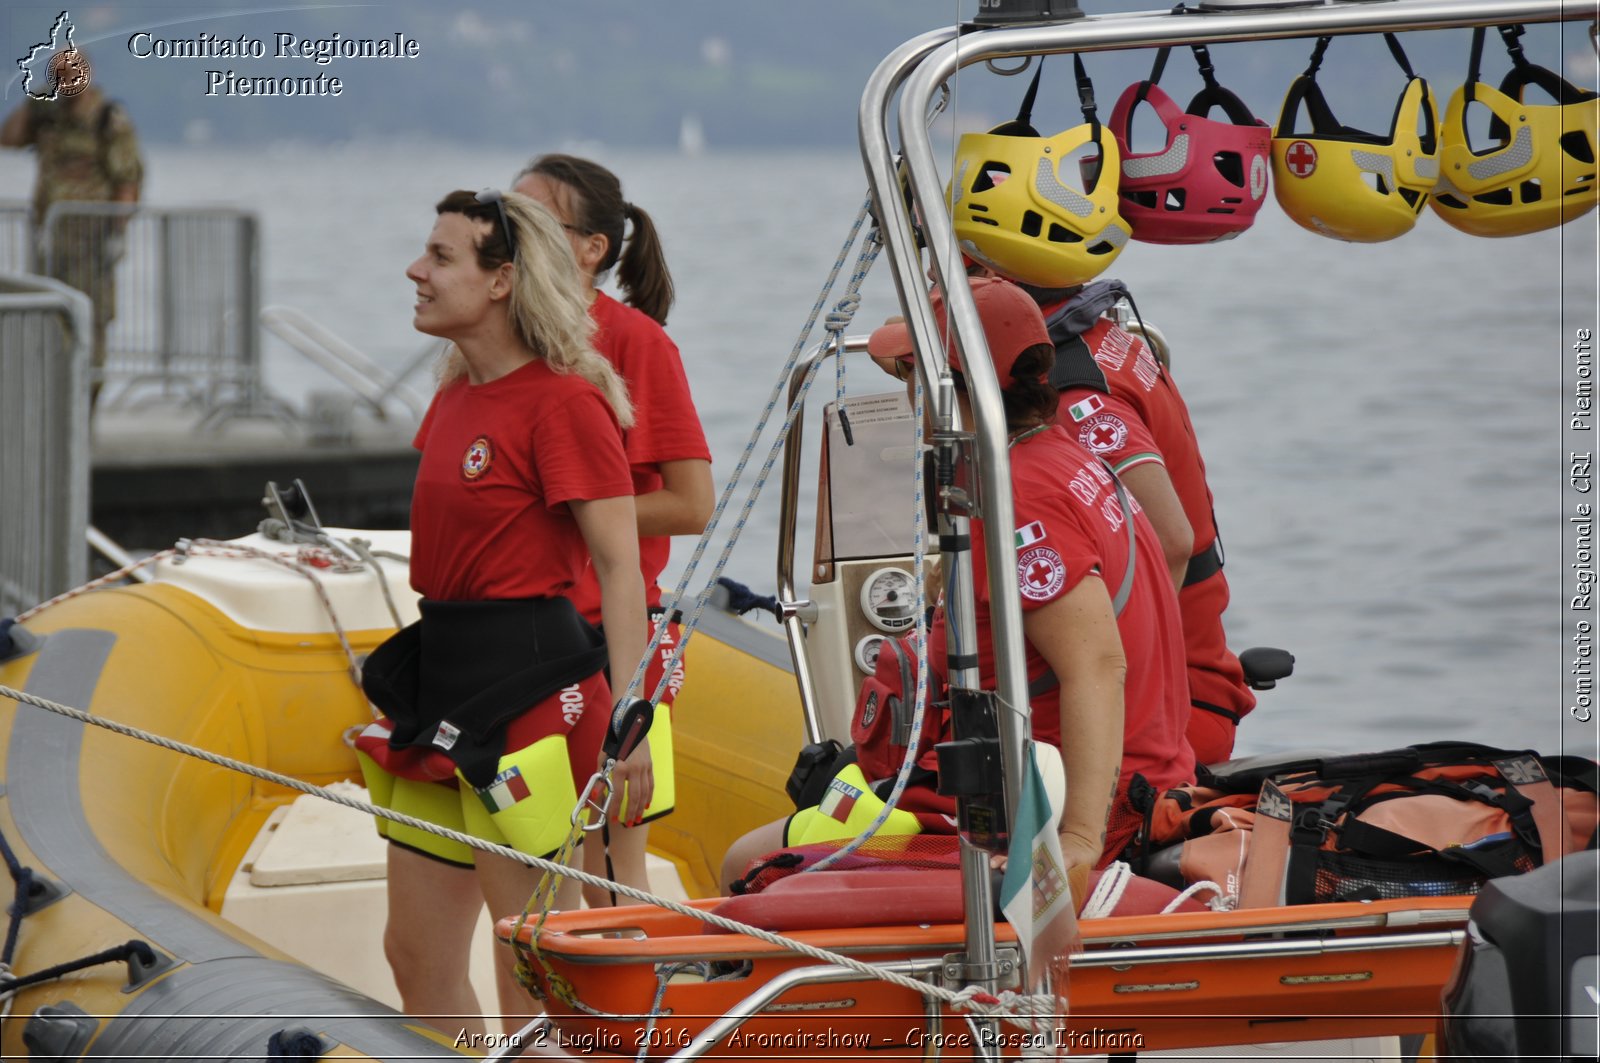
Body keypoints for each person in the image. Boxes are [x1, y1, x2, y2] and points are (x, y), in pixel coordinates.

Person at [720, 277, 1195, 906]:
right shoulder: (1059, 454)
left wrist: (1078, 837)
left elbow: (1097, 666)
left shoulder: (1018, 498)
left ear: (948, 388)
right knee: (826, 808)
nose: (907, 389)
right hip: (1120, 781)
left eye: (915, 374)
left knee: (750, 865)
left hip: (1073, 811)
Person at [357, 188, 649, 1035]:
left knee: (533, 965)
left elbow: (620, 569)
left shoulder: (564, 402)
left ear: (500, 281)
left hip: (531, 689)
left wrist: (629, 718)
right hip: (444, 673)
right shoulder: (454, 391)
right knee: (414, 954)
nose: (417, 270)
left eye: (442, 257)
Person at [512, 154, 713, 905]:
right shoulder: (499, 342)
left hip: (609, 638)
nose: (510, 235)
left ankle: (637, 1024)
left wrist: (568, 511)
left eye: (532, 222)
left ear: (591, 248)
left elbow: (692, 504)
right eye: (504, 220)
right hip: (517, 639)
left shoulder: (636, 343)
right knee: (533, 883)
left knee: (611, 883)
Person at [1025, 278, 1256, 765]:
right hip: (1193, 681)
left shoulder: (1072, 395)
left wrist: (1118, 688)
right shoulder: (1100, 334)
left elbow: (1170, 541)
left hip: (1177, 714)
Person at [1, 57, 143, 407]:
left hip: (91, 245)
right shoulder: (48, 114)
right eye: (59, 77)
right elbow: (8, 139)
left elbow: (128, 181)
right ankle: (50, 404)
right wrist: (32, 101)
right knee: (47, 322)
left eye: (71, 76)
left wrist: (117, 232)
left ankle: (85, 405)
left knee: (90, 323)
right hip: (50, 244)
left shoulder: (107, 119)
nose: (66, 84)